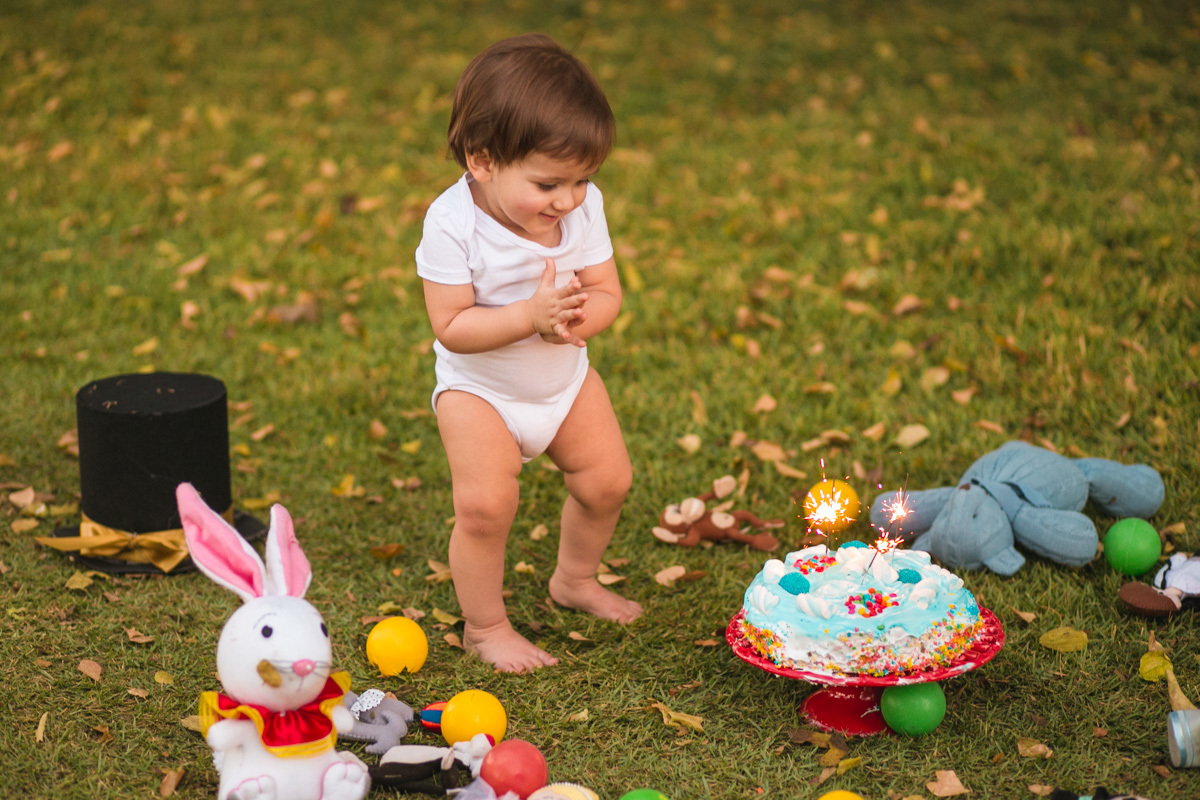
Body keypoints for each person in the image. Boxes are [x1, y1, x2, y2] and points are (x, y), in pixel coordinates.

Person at [415, 33, 642, 672]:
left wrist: (575, 322)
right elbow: (452, 324)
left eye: (583, 180)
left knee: (607, 481)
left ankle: (574, 580)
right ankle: (486, 627)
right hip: (478, 389)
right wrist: (528, 318)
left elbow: (605, 291)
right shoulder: (451, 223)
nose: (568, 201)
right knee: (486, 506)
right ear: (482, 160)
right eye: (549, 183)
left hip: (562, 380)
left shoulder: (581, 207)